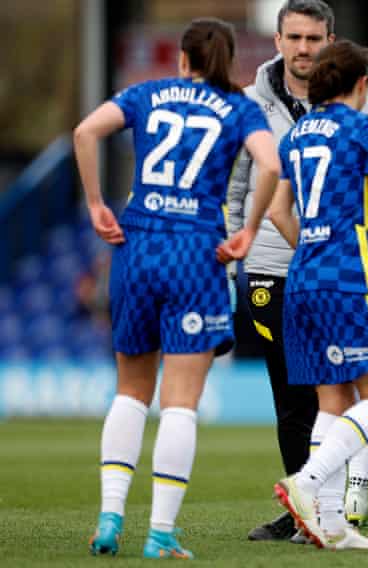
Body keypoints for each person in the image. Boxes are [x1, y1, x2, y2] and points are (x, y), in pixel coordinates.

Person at [74, 18, 280, 558]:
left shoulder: (146, 92)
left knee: (130, 391)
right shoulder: (240, 108)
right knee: (181, 402)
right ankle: (160, 534)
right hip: (196, 250)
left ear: (183, 60)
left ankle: (110, 519)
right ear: (228, 61)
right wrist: (250, 230)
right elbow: (271, 164)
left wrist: (97, 205)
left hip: (138, 245)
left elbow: (84, 132)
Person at [225, 0, 368, 541]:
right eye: (294, 37)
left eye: (313, 38)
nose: (303, 48)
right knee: (293, 393)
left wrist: (338, 245)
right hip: (272, 268)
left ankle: (321, 515)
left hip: (331, 266)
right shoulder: (250, 104)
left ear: (329, 41)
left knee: (333, 396)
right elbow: (239, 187)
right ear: (278, 41)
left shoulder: (367, 101)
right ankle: (305, 507)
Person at [268, 40, 368, 550]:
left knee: (332, 399)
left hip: (302, 279)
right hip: (347, 280)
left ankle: (331, 523)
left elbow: (277, 212)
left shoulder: (295, 134)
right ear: (362, 84)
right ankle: (309, 481)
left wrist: (313, 252)